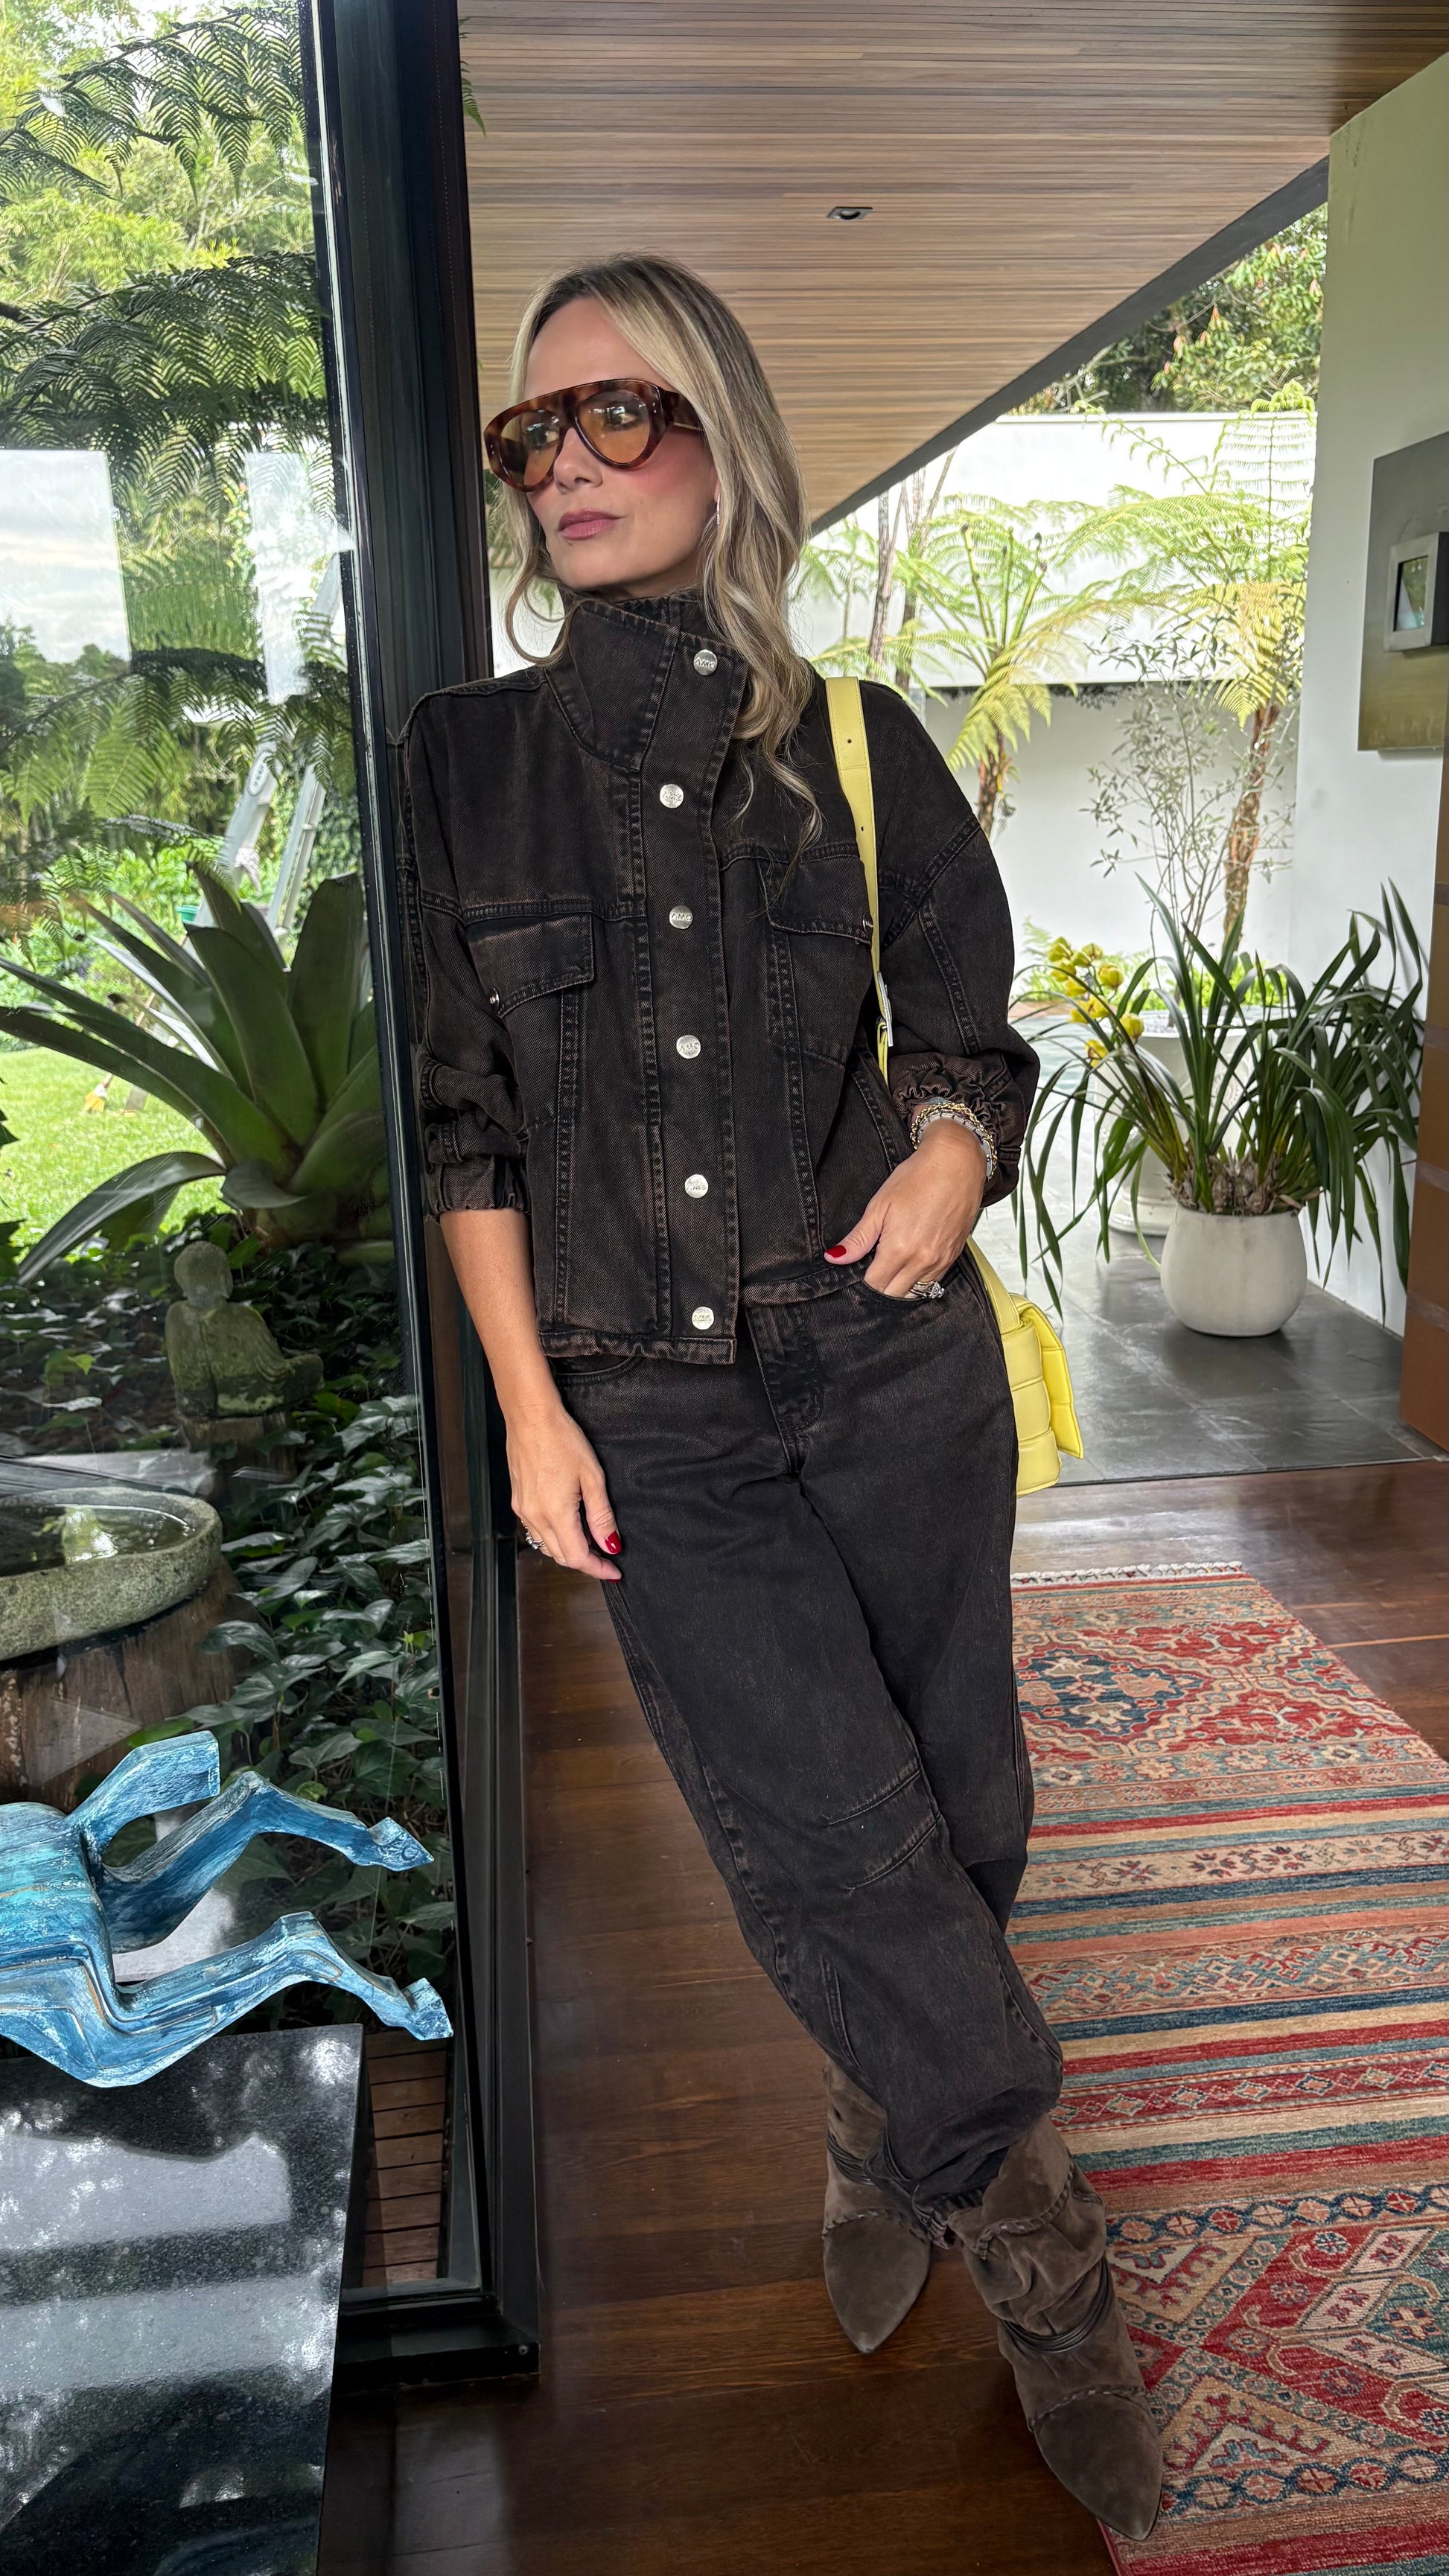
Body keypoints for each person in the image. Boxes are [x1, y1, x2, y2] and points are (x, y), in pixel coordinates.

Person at [401, 252, 1161, 2541]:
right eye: (532, 433)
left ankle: (880, 2110)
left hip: (889, 1370)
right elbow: (464, 1127)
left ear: (720, 440)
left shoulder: (857, 749)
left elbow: (967, 1035)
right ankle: (1052, 2282)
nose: (564, 464)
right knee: (831, 1835)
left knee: (964, 1809)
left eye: (614, 415)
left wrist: (945, 1156)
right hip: (648, 1408)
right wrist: (528, 1409)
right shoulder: (464, 769)